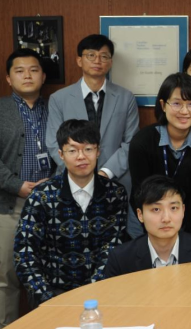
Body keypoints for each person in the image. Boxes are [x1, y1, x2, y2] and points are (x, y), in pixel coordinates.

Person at [0, 48, 53, 329]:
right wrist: (16, 186)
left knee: (46, 272)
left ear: (43, 76)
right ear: (8, 78)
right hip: (7, 204)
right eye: (19, 71)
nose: (27, 75)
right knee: (6, 274)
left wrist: (53, 185)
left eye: (33, 70)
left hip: (49, 204)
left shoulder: (54, 108)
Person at [15, 120, 128, 306]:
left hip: (101, 292)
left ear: (98, 151)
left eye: (88, 149)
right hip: (52, 295)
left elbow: (113, 247)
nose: (81, 157)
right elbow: (25, 252)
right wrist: (47, 298)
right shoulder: (41, 196)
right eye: (73, 150)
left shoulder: (115, 194)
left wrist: (92, 294)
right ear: (61, 154)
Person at [45, 34, 140, 235]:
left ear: (110, 62)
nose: (98, 61)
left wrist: (105, 173)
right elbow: (54, 143)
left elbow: (131, 142)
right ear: (79, 60)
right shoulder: (59, 98)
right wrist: (80, 171)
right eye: (91, 55)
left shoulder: (126, 97)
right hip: (71, 181)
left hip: (115, 181)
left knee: (114, 237)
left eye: (104, 56)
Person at [128, 73, 191, 235]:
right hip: (146, 222)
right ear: (163, 105)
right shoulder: (142, 141)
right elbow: (140, 192)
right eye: (177, 103)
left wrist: (185, 240)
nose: (184, 111)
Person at [104, 175, 191, 278]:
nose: (166, 218)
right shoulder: (121, 258)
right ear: (140, 215)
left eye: (173, 208)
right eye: (156, 209)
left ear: (183, 210)